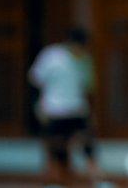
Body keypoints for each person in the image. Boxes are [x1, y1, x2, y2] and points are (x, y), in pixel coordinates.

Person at [29, 27, 100, 184]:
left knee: (88, 145)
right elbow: (35, 81)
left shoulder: (85, 59)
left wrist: (91, 112)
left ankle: (96, 180)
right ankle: (54, 181)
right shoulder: (51, 56)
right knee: (55, 148)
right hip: (54, 110)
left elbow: (88, 88)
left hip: (78, 109)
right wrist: (38, 107)